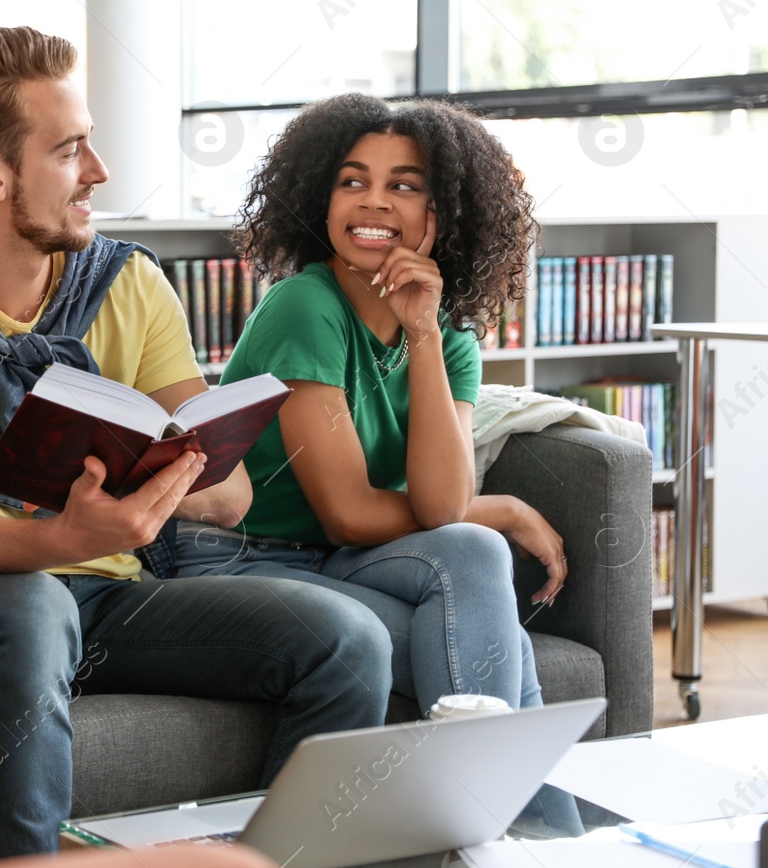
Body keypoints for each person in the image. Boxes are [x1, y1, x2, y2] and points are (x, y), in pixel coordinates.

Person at [0, 26, 393, 860]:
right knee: (34, 602)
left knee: (348, 639)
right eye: (70, 150)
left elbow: (230, 494)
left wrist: (148, 475)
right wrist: (61, 536)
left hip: (115, 591)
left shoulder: (128, 283)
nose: (100, 171)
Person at [172, 92, 562, 720]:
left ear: (445, 212)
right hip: (240, 556)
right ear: (319, 200)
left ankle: (509, 819)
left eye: (404, 186)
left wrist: (424, 334)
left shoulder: (448, 336)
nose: (373, 201)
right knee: (496, 634)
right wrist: (507, 511)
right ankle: (494, 817)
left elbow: (442, 508)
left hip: (342, 562)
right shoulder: (305, 307)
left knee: (478, 561)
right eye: (352, 181)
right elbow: (349, 515)